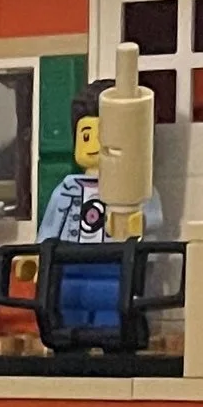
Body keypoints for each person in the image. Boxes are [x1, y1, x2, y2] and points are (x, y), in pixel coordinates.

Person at [36, 79, 164, 335]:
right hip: (70, 262)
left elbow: (154, 219)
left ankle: (114, 336)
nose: (95, 144)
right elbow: (50, 225)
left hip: (115, 262)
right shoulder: (69, 188)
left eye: (103, 135)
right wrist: (38, 256)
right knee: (68, 305)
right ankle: (69, 337)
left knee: (113, 306)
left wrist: (136, 224)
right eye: (86, 135)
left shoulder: (136, 186)